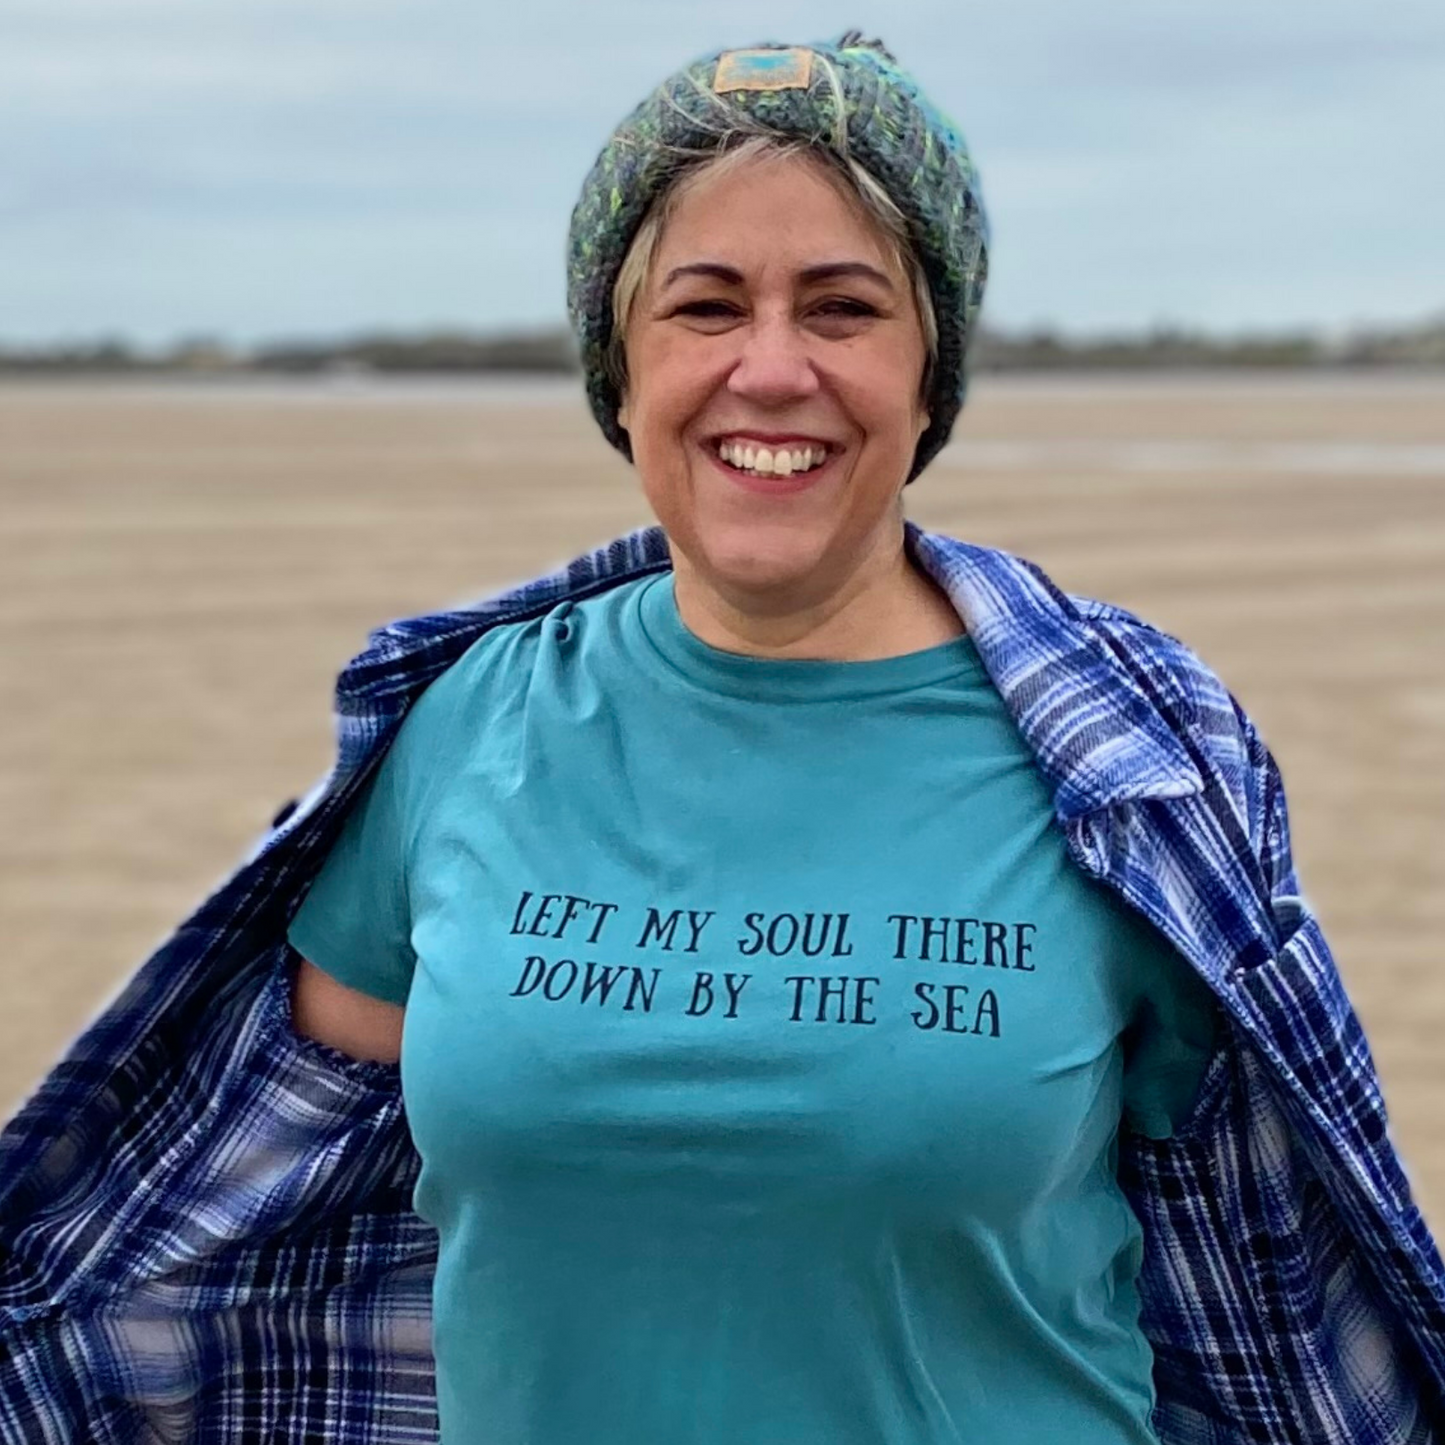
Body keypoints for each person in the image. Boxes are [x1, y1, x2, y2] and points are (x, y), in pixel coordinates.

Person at [0, 31, 1441, 1445]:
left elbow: (1272, 1254)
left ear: (930, 370)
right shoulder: (460, 725)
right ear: (617, 373)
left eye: (842, 307)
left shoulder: (1139, 763)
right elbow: (269, 1200)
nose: (770, 369)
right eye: (704, 306)